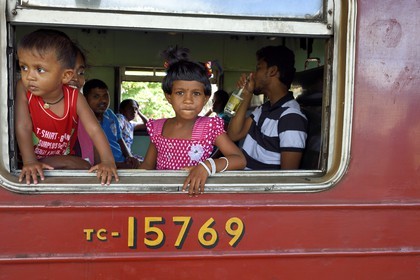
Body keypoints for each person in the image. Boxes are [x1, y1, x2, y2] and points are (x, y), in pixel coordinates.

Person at [15, 29, 119, 185]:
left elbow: (94, 129)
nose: (29, 76)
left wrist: (108, 161)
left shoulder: (75, 97)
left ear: (65, 76)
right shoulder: (23, 88)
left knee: (84, 166)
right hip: (33, 161)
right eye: (24, 67)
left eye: (40, 69)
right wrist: (29, 161)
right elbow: (23, 125)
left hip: (64, 163)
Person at [139, 46, 246, 196]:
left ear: (206, 98)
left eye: (196, 93)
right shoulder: (158, 128)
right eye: (180, 92)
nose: (188, 100)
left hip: (196, 201)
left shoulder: (210, 127)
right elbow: (146, 168)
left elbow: (239, 159)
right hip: (164, 199)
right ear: (169, 96)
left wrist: (207, 166)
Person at [227, 45, 308, 170]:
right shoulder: (263, 109)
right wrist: (247, 94)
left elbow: (288, 177)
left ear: (272, 71)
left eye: (258, 68)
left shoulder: (291, 117)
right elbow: (233, 135)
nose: (253, 75)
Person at [83, 79, 141, 169]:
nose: (103, 100)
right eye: (96, 96)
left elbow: (119, 139)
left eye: (105, 96)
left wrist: (129, 157)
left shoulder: (110, 115)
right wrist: (122, 165)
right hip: (103, 165)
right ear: (85, 99)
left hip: (121, 161)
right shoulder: (83, 120)